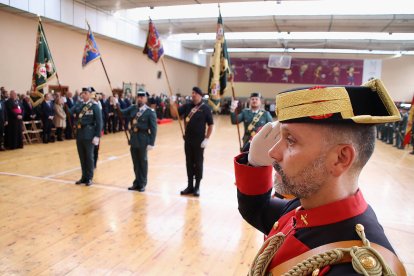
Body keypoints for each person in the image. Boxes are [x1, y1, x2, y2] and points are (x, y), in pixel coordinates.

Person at [234, 79, 406, 275]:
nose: (272, 152)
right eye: (279, 137)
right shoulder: (306, 206)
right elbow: (257, 209)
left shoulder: (353, 269)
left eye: (290, 140)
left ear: (341, 158)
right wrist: (253, 163)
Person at [176, 87, 214, 197]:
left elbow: (210, 125)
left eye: (195, 93)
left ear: (200, 95)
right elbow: (175, 115)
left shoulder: (205, 108)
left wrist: (206, 139)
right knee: (188, 163)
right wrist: (172, 102)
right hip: (187, 140)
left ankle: (197, 186)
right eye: (192, 93)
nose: (193, 95)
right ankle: (190, 186)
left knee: (198, 164)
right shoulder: (187, 106)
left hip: (199, 141)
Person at [121, 90, 157, 192]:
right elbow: (122, 113)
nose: (140, 99)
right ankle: (136, 182)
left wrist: (151, 143)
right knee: (136, 163)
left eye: (142, 97)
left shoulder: (150, 112)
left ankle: (142, 183)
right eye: (138, 97)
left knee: (143, 162)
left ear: (146, 99)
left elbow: (154, 129)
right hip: (134, 139)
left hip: (143, 139)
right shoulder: (133, 108)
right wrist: (116, 105)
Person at [70, 87, 102, 186]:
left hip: (89, 133)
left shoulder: (94, 106)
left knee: (89, 157)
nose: (83, 94)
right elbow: (70, 112)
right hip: (80, 133)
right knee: (82, 157)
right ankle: (84, 177)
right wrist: (71, 104)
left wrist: (97, 136)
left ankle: (89, 178)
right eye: (82, 93)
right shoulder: (79, 105)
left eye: (85, 93)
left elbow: (99, 122)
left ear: (89, 94)